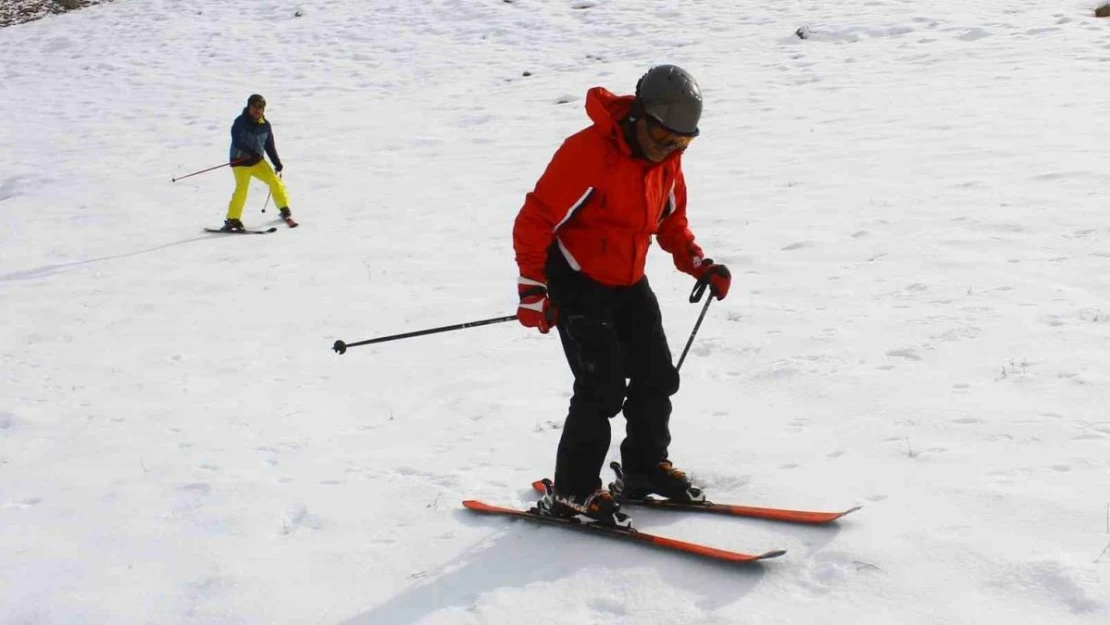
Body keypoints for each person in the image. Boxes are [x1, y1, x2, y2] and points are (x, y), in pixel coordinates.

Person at [512, 65, 732, 527]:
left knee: (657, 376)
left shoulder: (666, 160)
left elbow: (671, 222)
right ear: (640, 118)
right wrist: (533, 287)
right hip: (576, 278)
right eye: (664, 139)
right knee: (601, 386)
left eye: (682, 144)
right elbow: (535, 219)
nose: (670, 150)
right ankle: (572, 490)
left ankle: (643, 469)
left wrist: (699, 263)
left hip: (628, 278)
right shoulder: (587, 153)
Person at [223, 94, 293, 231]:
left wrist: (276, 162)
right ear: (249, 107)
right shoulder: (240, 122)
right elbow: (237, 141)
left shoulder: (265, 125)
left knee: (274, 181)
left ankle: (284, 208)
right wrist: (250, 152)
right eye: (255, 107)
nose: (258, 110)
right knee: (242, 189)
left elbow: (269, 145)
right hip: (240, 161)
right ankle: (232, 219)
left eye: (261, 108)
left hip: (257, 161)